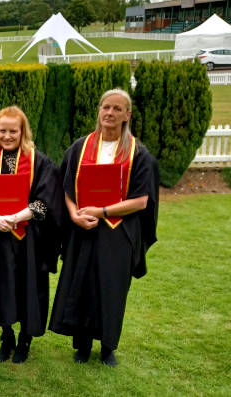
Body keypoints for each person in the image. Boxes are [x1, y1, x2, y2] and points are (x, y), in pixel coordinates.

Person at [49, 88, 159, 367]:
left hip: (117, 231)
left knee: (111, 288)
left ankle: (108, 346)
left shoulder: (139, 154)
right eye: (105, 107)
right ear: (99, 110)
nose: (110, 113)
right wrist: (74, 214)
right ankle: (82, 345)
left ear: (127, 115)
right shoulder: (80, 148)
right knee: (81, 283)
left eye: (117, 109)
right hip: (83, 227)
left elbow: (142, 201)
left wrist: (104, 210)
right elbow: (65, 188)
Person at [0, 106, 63, 364]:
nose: (7, 136)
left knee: (30, 286)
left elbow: (47, 199)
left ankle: (26, 338)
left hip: (29, 238)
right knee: (1, 286)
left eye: (13, 131)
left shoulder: (41, 162)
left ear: (22, 131)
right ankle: (7, 337)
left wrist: (16, 217)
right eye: (2, 130)